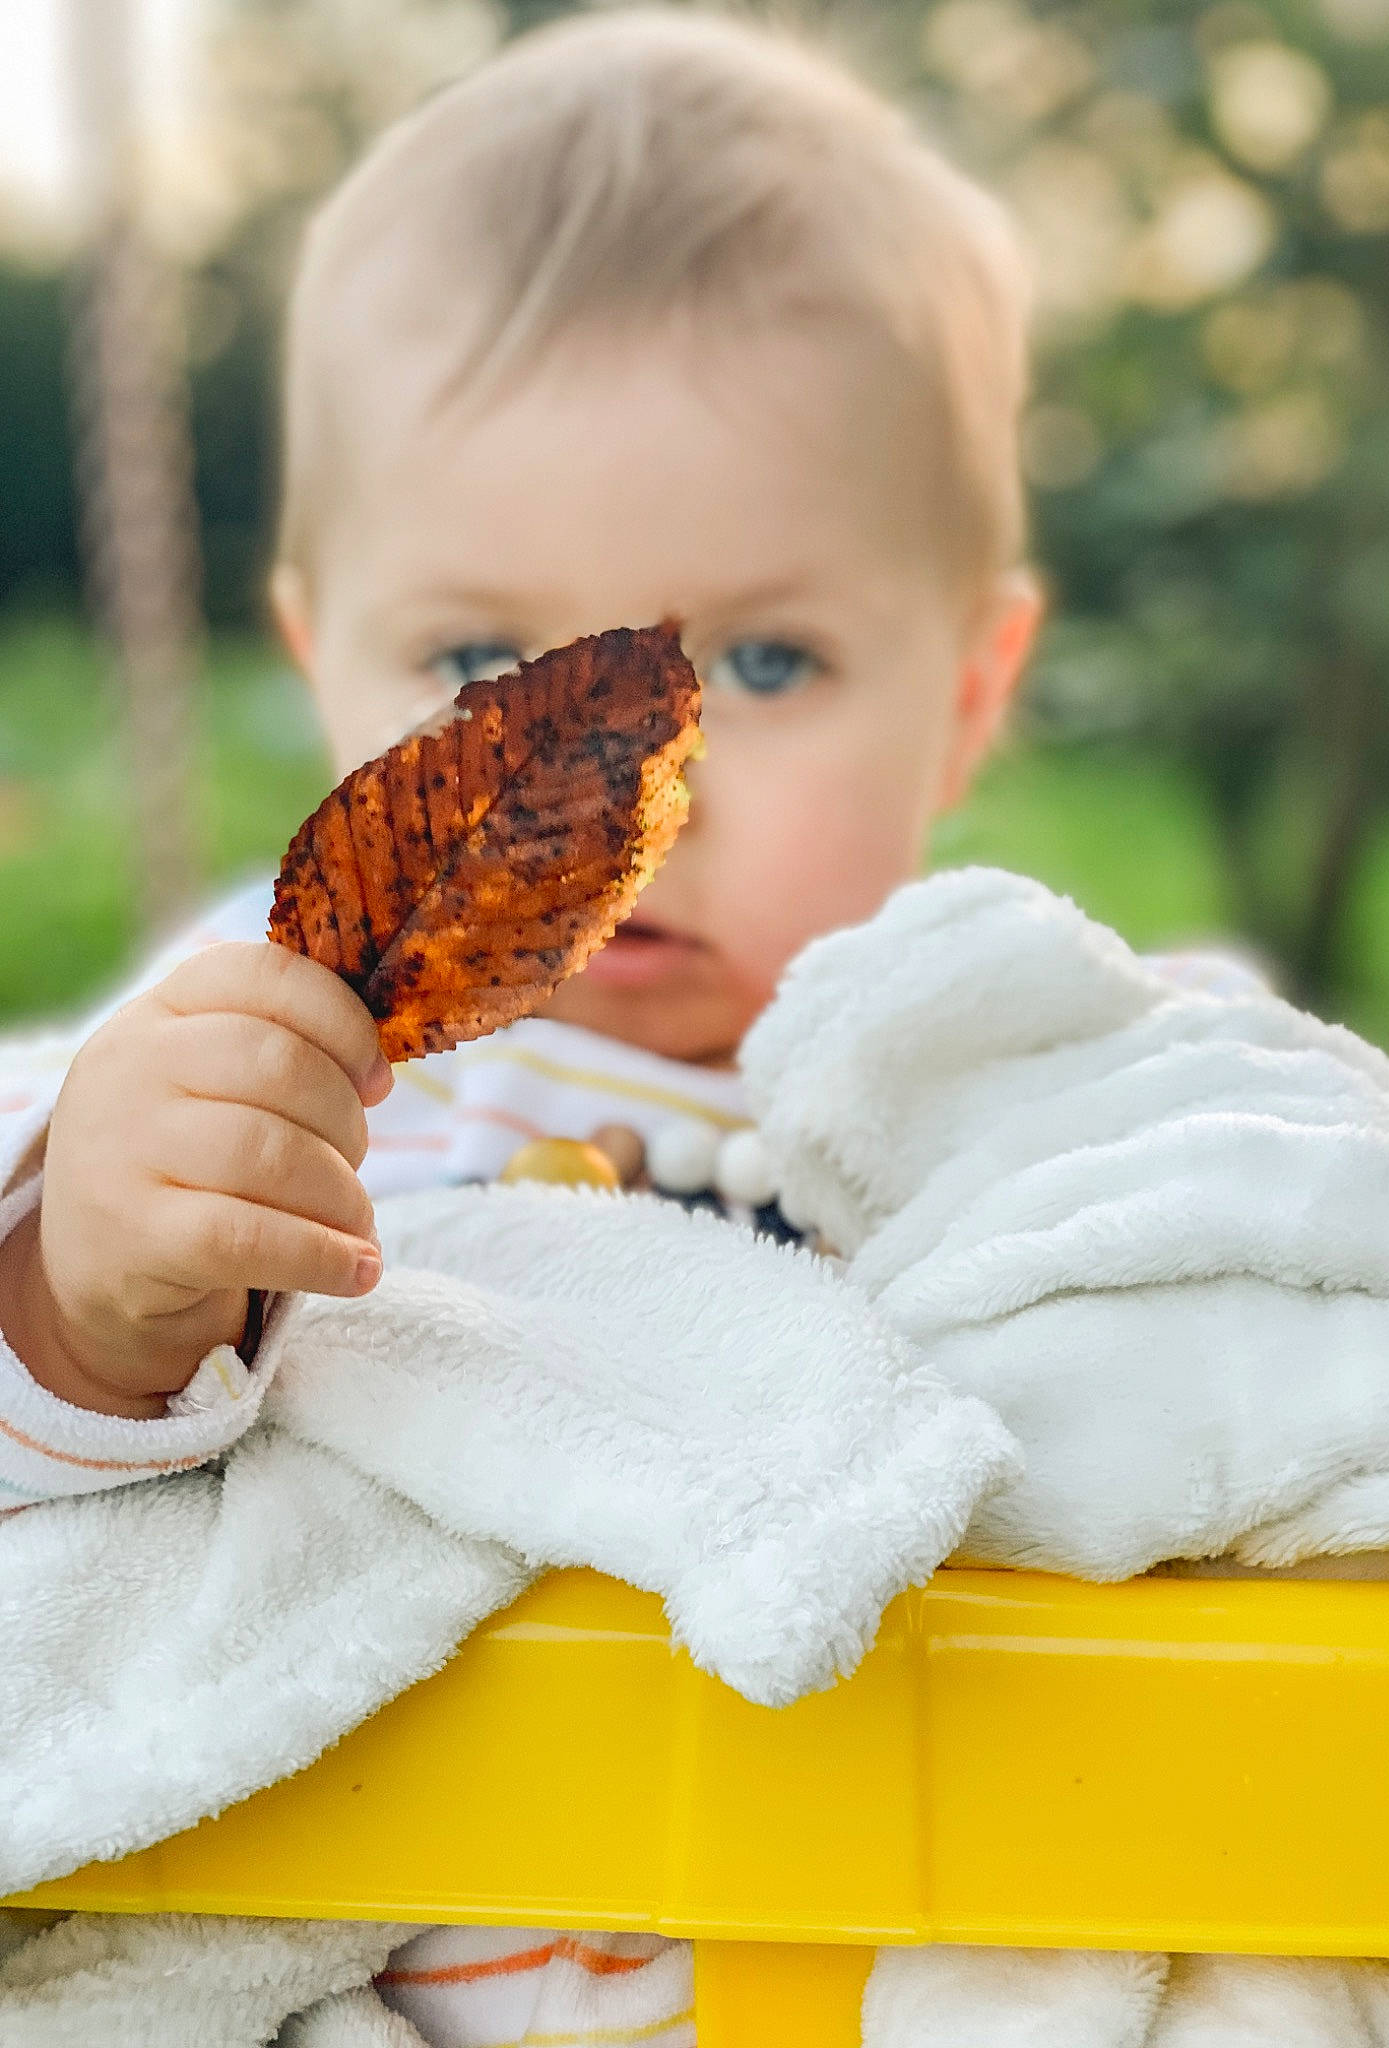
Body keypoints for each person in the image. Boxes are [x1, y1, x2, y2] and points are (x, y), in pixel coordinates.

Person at [0, 12, 1040, 2043]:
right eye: (480, 659)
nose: (634, 784)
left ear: (974, 691)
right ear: (326, 662)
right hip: (365, 1930)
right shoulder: (248, 1058)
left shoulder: (1021, 1076)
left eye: (767, 655)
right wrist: (95, 1298)